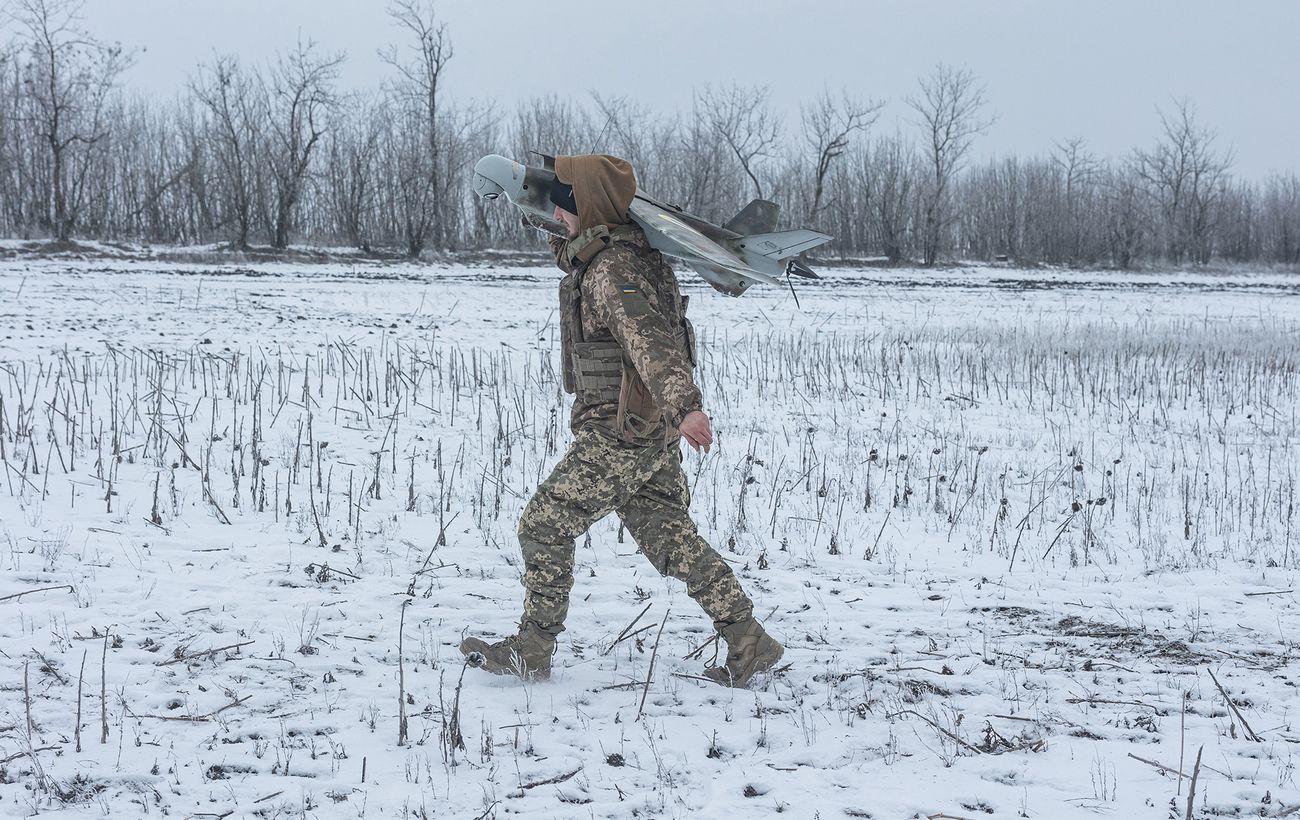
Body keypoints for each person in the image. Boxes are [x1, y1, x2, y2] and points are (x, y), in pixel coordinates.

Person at [459, 154, 783, 688]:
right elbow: (572, 245)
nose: (556, 216)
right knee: (670, 536)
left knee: (544, 524)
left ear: (589, 209)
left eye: (564, 209)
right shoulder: (619, 253)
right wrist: (528, 199)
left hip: (621, 432)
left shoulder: (613, 270)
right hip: (644, 428)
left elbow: (651, 342)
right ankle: (750, 639)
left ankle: (533, 650)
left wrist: (686, 406)